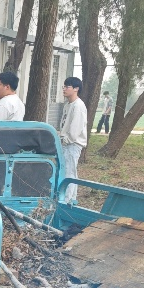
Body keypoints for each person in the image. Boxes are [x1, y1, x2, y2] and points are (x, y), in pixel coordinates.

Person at [58, 76, 87, 205]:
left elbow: (75, 129)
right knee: (67, 171)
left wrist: (66, 140)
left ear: (76, 89)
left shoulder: (78, 106)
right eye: (64, 86)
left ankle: (67, 200)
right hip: (65, 143)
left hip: (72, 144)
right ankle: (69, 198)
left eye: (67, 86)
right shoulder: (68, 105)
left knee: (69, 172)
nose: (64, 89)